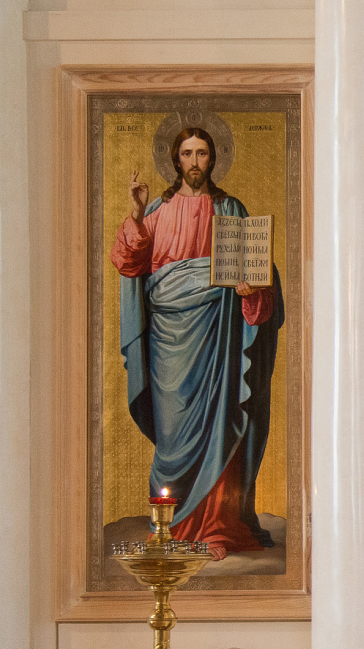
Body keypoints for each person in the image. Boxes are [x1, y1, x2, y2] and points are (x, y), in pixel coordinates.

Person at [112, 126, 284, 561]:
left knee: (219, 423)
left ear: (212, 159)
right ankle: (170, 526)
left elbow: (259, 273)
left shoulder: (231, 209)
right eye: (187, 153)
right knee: (172, 435)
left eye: (202, 153)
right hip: (169, 343)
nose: (194, 161)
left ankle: (216, 528)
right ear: (176, 159)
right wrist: (135, 214)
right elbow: (130, 264)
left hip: (219, 336)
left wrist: (250, 292)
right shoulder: (156, 210)